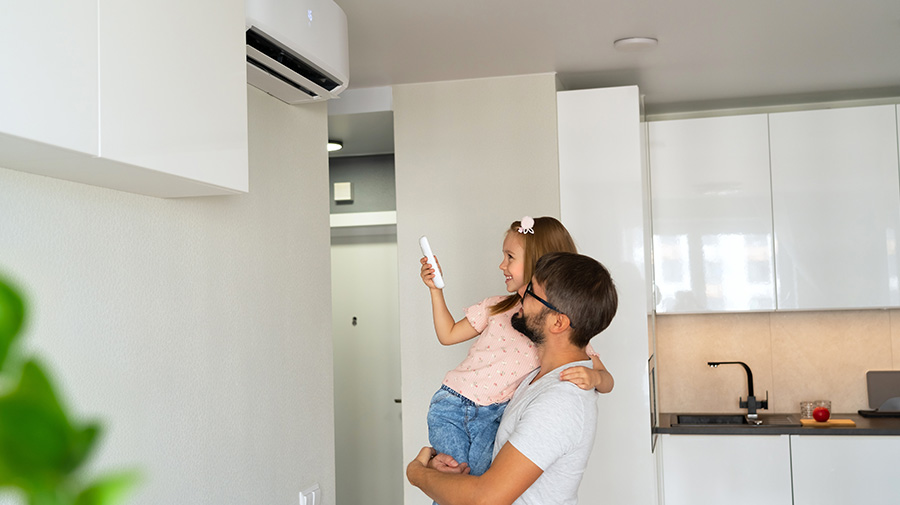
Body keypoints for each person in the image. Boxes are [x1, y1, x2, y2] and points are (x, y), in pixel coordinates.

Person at [408, 251, 619, 505]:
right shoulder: (534, 377)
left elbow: (484, 499)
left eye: (532, 293)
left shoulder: (561, 401)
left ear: (559, 322)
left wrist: (417, 473)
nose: (521, 295)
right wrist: (450, 470)